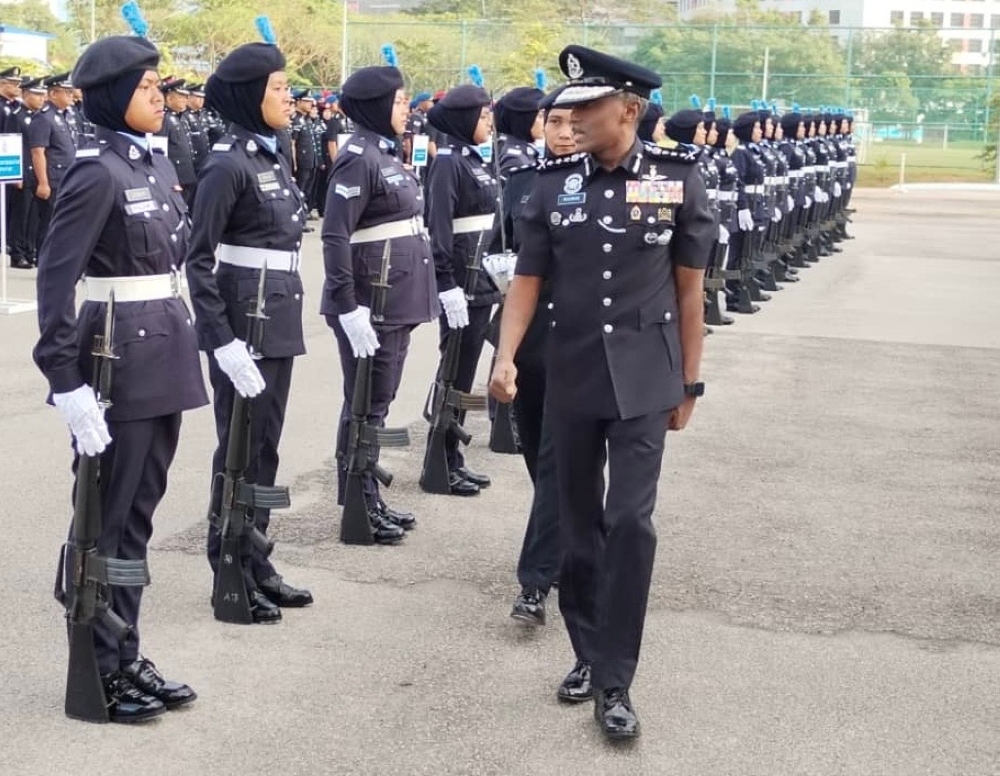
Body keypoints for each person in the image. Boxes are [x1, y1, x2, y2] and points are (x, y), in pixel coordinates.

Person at [489, 45, 713, 741]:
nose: (571, 117)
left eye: (587, 106)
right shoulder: (552, 186)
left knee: (630, 522)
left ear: (630, 110)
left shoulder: (677, 181)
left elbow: (690, 291)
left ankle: (616, 680)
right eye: (566, 107)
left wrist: (690, 382)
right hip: (573, 374)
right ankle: (586, 653)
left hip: (648, 376)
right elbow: (527, 280)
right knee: (579, 523)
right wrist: (505, 356)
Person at [33, 33, 207, 723]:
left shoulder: (154, 169)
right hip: (114, 364)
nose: (159, 98)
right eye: (145, 89)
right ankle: (99, 663)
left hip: (163, 352)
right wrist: (66, 379)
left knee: (137, 517)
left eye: (159, 87)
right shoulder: (95, 171)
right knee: (105, 520)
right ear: (111, 96)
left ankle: (126, 649)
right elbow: (56, 276)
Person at [185, 31, 313, 624]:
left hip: (277, 315)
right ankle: (229, 563)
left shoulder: (269, 152)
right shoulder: (226, 164)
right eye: (280, 88)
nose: (290, 99)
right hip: (244, 324)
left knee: (264, 448)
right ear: (248, 96)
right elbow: (198, 259)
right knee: (238, 449)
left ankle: (257, 556)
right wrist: (221, 339)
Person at [321, 64, 439, 543]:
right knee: (365, 403)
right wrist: (349, 306)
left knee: (378, 402)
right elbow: (334, 234)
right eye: (396, 102)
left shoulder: (383, 153)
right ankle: (358, 500)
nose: (405, 109)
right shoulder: (358, 158)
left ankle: (368, 495)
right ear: (373, 107)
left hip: (395, 298)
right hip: (373, 302)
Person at [507, 88, 576, 627]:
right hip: (530, 340)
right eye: (555, 121)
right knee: (536, 453)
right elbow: (498, 247)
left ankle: (536, 581)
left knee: (558, 460)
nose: (565, 132)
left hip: (581, 341)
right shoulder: (524, 183)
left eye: (576, 122)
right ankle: (565, 536)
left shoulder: (615, 186)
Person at [422, 82, 500, 497]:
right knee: (453, 370)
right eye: (483, 115)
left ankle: (453, 456)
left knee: (465, 373)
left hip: (481, 279)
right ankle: (439, 459)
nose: (489, 121)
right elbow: (439, 228)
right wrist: (445, 283)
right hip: (462, 283)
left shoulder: (475, 159)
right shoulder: (449, 163)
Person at [27, 73, 77, 248]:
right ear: (54, 94)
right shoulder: (43, 117)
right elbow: (37, 152)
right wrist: (43, 183)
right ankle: (44, 265)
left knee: (65, 225)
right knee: (49, 225)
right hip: (53, 180)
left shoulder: (66, 116)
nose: (71, 95)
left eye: (71, 91)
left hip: (68, 178)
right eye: (67, 92)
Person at [155, 76, 198, 206]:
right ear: (169, 98)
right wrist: (168, 179)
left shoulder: (180, 118)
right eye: (181, 96)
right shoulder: (164, 119)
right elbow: (159, 153)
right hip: (176, 179)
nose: (185, 100)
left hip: (187, 177)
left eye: (186, 97)